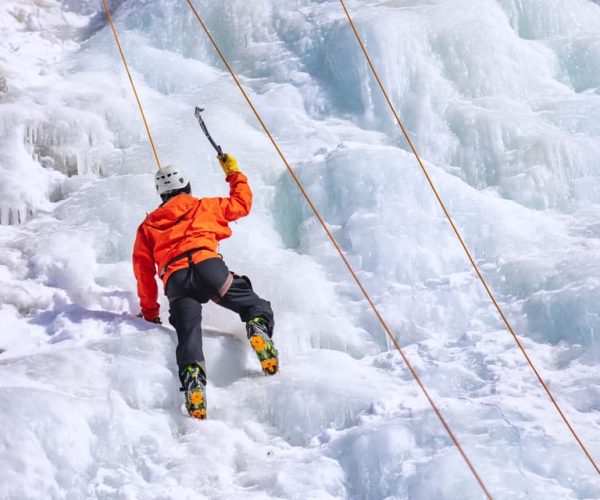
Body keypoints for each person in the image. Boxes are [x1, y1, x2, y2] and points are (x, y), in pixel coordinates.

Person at [132, 154, 278, 420]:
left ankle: (194, 381)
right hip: (209, 268)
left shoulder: (148, 226)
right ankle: (256, 326)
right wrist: (233, 172)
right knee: (252, 304)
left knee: (188, 335)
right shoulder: (205, 206)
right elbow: (242, 204)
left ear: (160, 194)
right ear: (187, 186)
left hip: (176, 280)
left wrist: (150, 311)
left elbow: (143, 272)